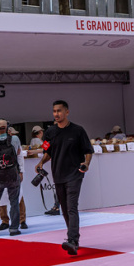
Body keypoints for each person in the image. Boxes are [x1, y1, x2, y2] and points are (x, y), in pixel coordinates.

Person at [36, 100, 93, 255]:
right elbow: (47, 152)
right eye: (54, 111)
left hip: (75, 174)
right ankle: (73, 239)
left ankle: (72, 240)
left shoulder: (78, 131)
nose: (56, 114)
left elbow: (88, 150)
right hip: (58, 175)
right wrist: (41, 162)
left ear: (67, 112)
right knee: (65, 209)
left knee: (72, 207)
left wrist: (86, 163)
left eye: (59, 111)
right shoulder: (49, 133)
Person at [0, 119, 25, 237]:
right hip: (13, 174)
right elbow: (19, 155)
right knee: (14, 201)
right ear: (7, 128)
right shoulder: (15, 139)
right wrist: (21, 171)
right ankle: (14, 228)